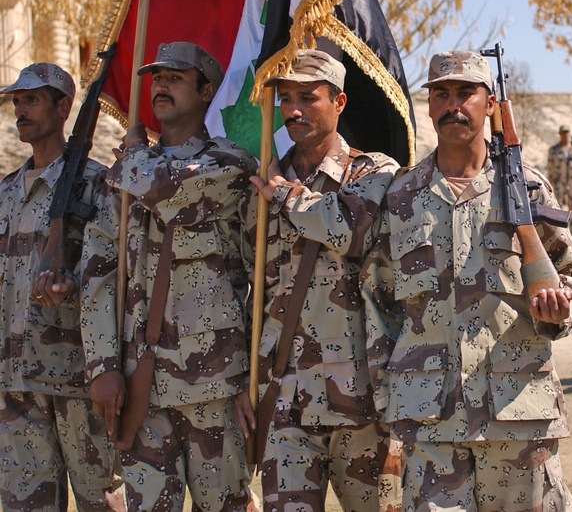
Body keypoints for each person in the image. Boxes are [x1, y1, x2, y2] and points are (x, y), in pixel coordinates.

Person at [362, 50, 572, 511]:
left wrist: (559, 310)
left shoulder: (527, 189)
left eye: (466, 93)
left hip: (519, 416)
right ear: (427, 106)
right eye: (440, 94)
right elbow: (378, 305)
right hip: (429, 424)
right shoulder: (402, 196)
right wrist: (389, 401)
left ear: (490, 105)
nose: (453, 105)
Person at [80, 42, 256, 511]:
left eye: (175, 78)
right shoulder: (119, 177)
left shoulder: (230, 165)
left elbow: (164, 188)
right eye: (156, 77)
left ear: (207, 91)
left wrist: (134, 153)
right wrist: (103, 364)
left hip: (215, 383)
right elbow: (97, 274)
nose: (160, 85)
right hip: (143, 383)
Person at [241, 49, 401, 511]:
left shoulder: (373, 172)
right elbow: (244, 285)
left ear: (340, 102)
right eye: (285, 98)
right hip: (284, 397)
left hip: (361, 401)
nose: (292, 110)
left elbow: (348, 231)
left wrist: (286, 195)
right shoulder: (260, 179)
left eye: (307, 98)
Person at [0, 64, 124, 511]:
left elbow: (114, 276)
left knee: (100, 501)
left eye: (31, 99)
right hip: (15, 382)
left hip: (75, 377)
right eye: (17, 101)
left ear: (64, 107)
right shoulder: (8, 190)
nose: (20, 110)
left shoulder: (97, 184)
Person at [546, 124, 572, 206]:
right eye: (563, 133)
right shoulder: (553, 150)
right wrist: (549, 186)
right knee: (558, 211)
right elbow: (550, 169)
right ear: (560, 134)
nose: (565, 135)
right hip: (558, 186)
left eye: (567, 133)